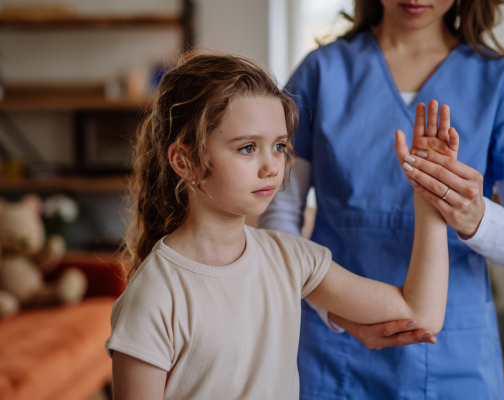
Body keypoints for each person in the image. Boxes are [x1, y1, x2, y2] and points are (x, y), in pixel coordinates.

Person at [105, 52, 458, 400]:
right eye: (247, 148)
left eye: (278, 146)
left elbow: (420, 314)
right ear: (186, 161)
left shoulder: (292, 259)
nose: (272, 166)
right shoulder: (155, 295)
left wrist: (430, 194)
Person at [259, 0, 504, 398]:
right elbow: (279, 214)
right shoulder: (321, 71)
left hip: (454, 351)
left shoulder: (499, 83)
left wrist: (476, 218)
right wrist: (328, 307)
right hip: (334, 347)